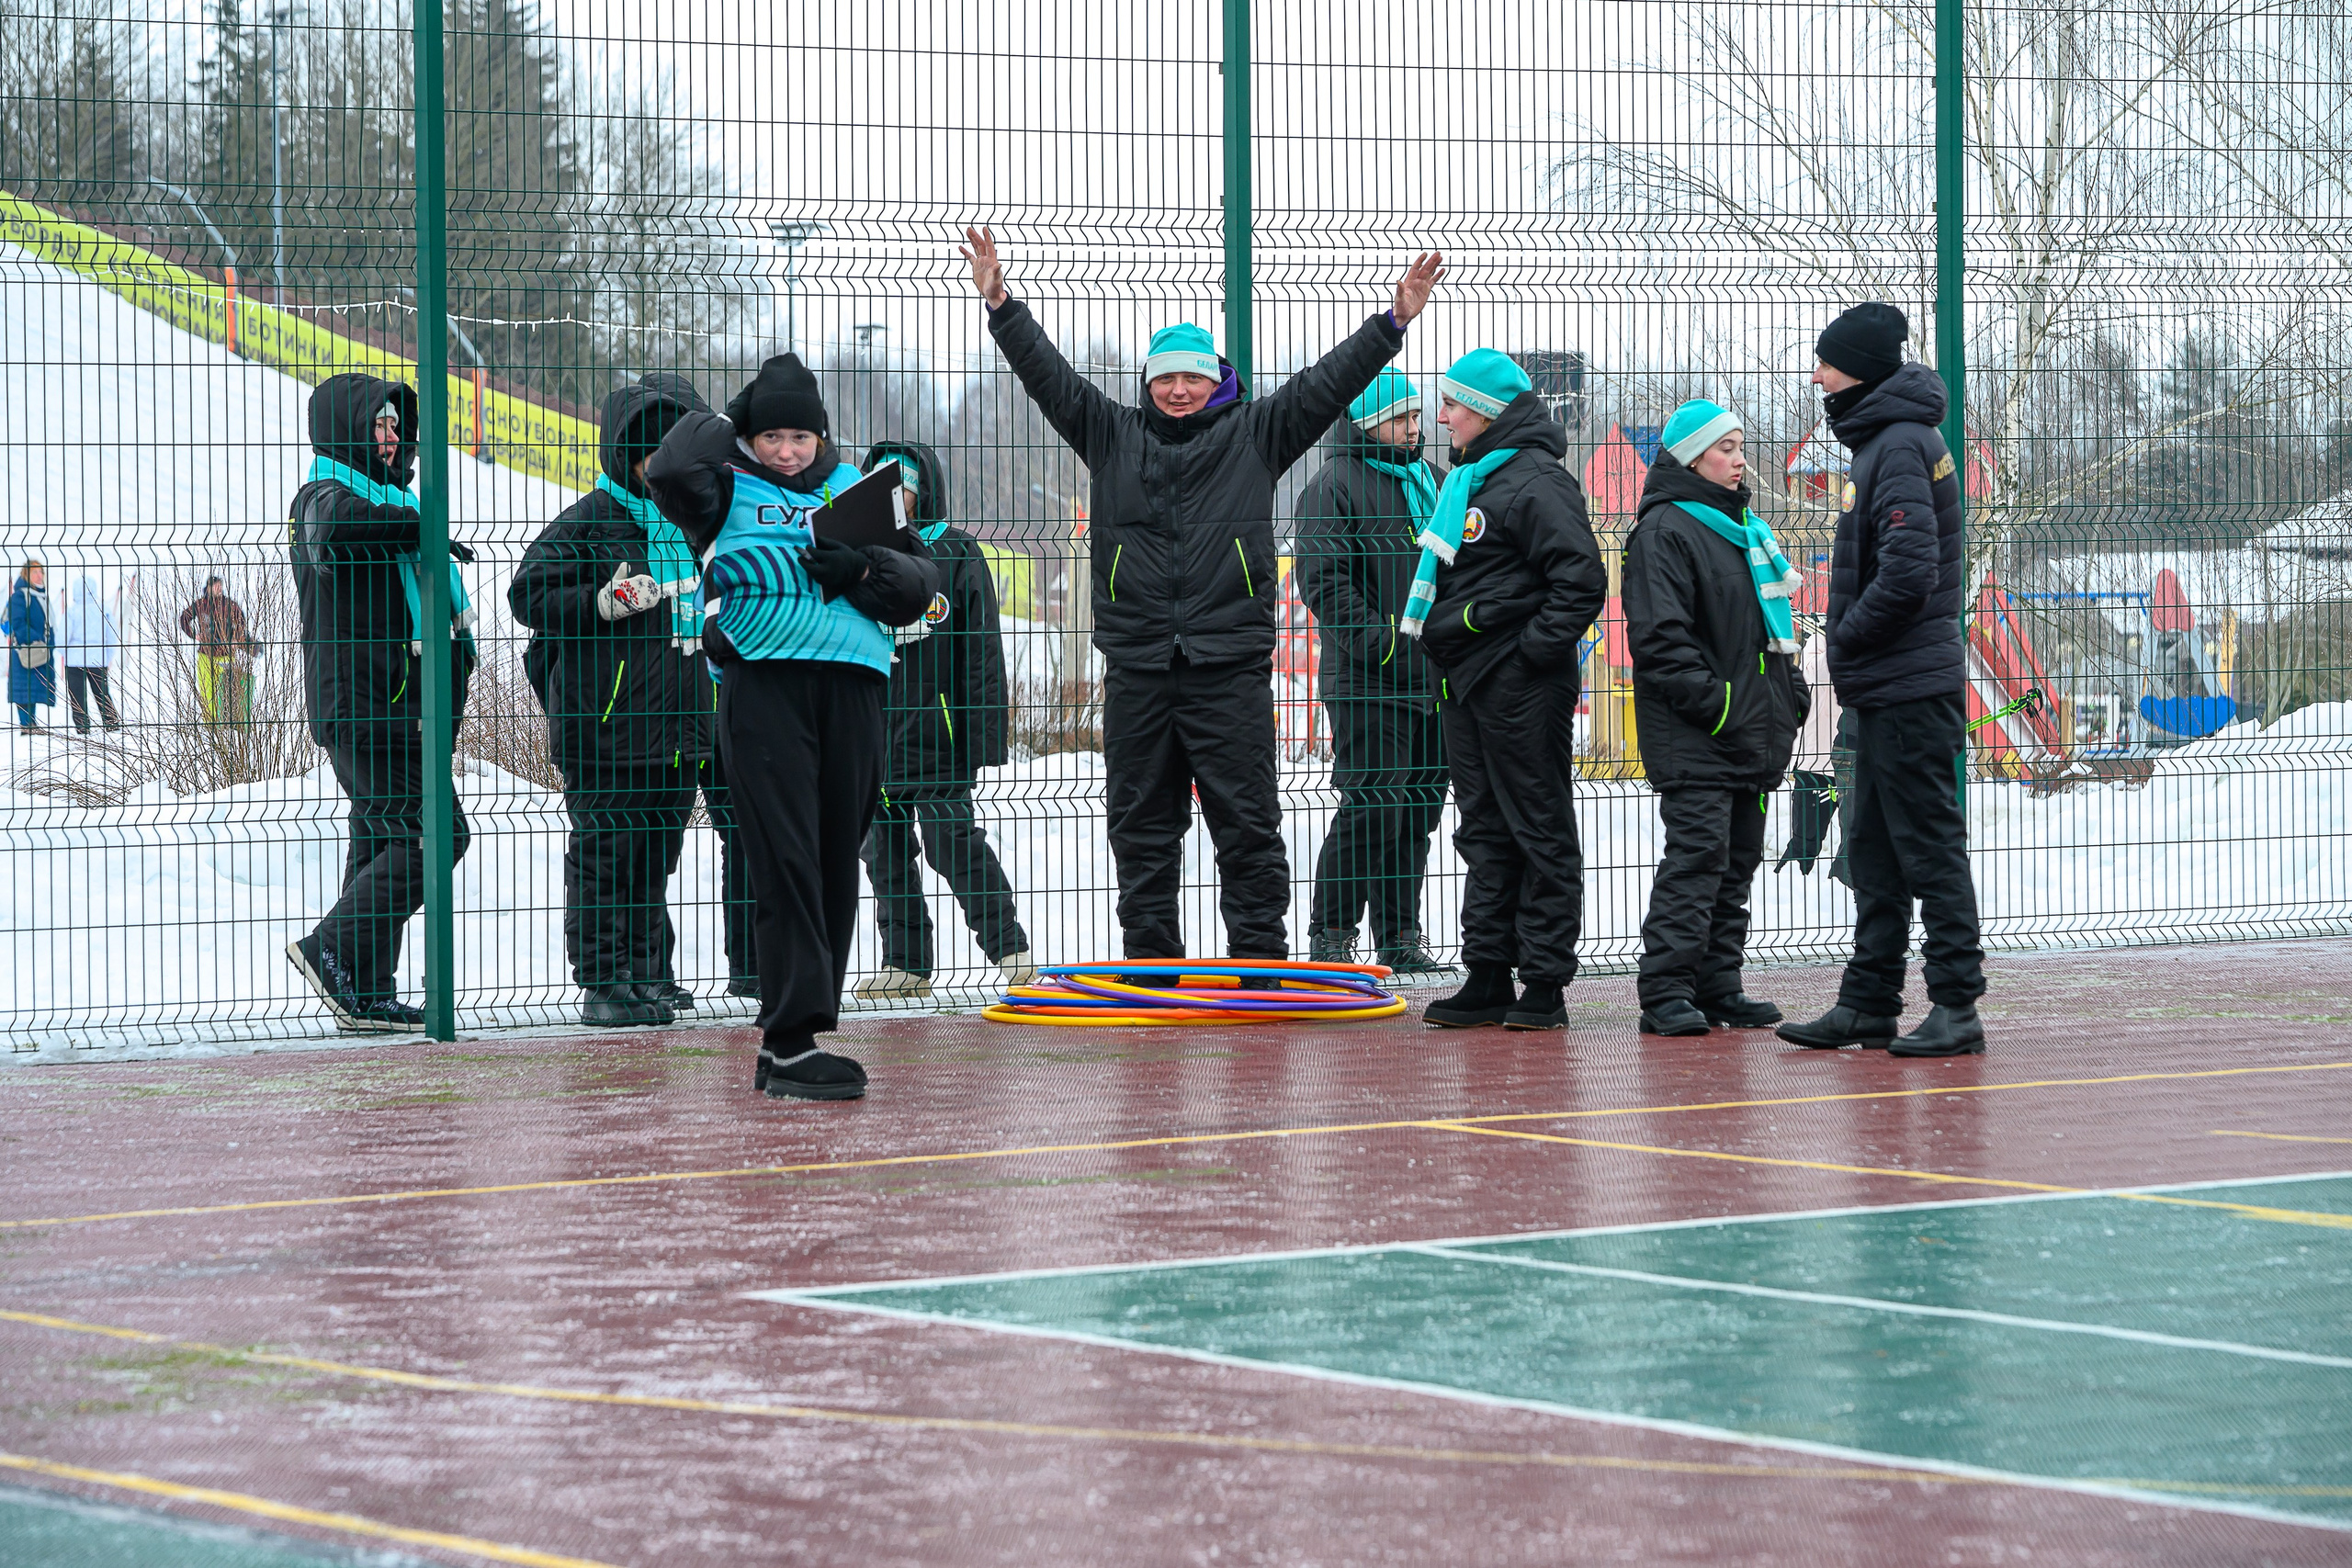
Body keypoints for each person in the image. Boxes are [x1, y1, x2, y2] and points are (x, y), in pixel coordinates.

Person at [960, 226, 1442, 961]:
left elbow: (1326, 383)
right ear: (1148, 383)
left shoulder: (1256, 433)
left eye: (1192, 377)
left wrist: (1393, 322)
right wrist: (1000, 303)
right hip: (1139, 667)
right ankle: (1152, 962)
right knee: (1142, 825)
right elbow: (1046, 375)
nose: (1179, 390)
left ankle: (1258, 963)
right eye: (1165, 379)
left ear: (1216, 379)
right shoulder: (1110, 434)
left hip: (1229, 668)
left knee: (1246, 822)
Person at [646, 353, 940, 1100]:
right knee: (784, 856)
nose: (786, 450)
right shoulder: (722, 488)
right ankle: (788, 1038)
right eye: (771, 433)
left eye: (800, 436)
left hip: (856, 688)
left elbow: (920, 583)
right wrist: (725, 419)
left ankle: (800, 1034)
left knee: (837, 853)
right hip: (763, 681)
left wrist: (860, 573)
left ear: (822, 437)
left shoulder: (861, 491)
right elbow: (672, 469)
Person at [1777, 303, 1988, 1058]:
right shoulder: (1890, 440)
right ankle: (1868, 1003)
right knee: (1874, 848)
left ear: (1859, 370)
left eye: (1827, 364)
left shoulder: (1897, 444)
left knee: (1927, 846)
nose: (1817, 375)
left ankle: (1957, 1005)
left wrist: (1844, 635)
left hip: (1905, 687)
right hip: (1886, 689)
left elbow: (1907, 572)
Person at [512, 372, 752, 1028]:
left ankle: (647, 975)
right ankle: (601, 981)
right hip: (607, 727)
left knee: (653, 856)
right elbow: (527, 594)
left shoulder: (697, 527)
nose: (657, 468)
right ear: (625, 455)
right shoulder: (590, 521)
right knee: (603, 857)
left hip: (679, 726)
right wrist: (599, 602)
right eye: (647, 453)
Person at [1409, 351, 1608, 1031]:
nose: (1442, 418)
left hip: (1522, 687)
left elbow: (1581, 581)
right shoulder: (1472, 480)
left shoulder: (1535, 482)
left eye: (1454, 406)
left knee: (1538, 826)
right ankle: (1488, 972)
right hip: (1465, 684)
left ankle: (1544, 982)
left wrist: (1528, 656)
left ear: (1487, 411)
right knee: (1485, 829)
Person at [285, 373, 477, 1032]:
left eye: (397, 426)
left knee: (378, 841)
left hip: (400, 708)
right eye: (378, 425)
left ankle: (363, 991)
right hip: (368, 708)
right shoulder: (322, 495)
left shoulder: (392, 503)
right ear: (346, 428)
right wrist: (419, 527)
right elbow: (337, 534)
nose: (392, 439)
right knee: (440, 833)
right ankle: (331, 947)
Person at [1621, 400, 1809, 1037]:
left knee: (1736, 864)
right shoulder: (1665, 530)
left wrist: (1791, 692)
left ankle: (1719, 984)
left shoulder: (1745, 530)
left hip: (1751, 730)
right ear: (1692, 456)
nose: (1739, 459)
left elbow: (1768, 628)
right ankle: (1666, 990)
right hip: (1699, 731)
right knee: (1697, 859)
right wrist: (1723, 704)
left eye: (1740, 446)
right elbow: (1661, 640)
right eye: (1725, 447)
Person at [854, 440, 1035, 1000]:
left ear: (922, 491)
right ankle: (906, 962)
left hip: (938, 735)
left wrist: (982, 733)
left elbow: (982, 649)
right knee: (883, 853)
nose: (893, 499)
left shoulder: (955, 553)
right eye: (878, 489)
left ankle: (1011, 950)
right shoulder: (850, 556)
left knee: (951, 843)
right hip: (869, 732)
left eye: (902, 487)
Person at [1294, 367, 1451, 974]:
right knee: (1372, 806)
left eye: (1415, 416)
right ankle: (1332, 933)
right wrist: (1383, 643)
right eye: (1399, 418)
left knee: (1415, 811)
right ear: (1365, 423)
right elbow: (1323, 579)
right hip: (1370, 679)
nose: (1413, 428)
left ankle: (1399, 937)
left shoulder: (1434, 484)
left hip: (1433, 679)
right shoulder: (1334, 485)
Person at [1776, 626, 1842, 875]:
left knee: (1856, 839)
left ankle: (1844, 889)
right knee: (1805, 840)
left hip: (1849, 760)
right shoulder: (1818, 644)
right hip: (1816, 765)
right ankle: (1791, 883)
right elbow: (1820, 673)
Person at [179, 576, 257, 724]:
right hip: (205, 655)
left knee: (226, 691)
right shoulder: (201, 605)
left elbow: (241, 622)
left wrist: (236, 639)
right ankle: (211, 724)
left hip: (226, 655)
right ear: (208, 588)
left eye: (220, 585)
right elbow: (184, 618)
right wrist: (194, 635)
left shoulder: (229, 605)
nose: (219, 588)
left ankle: (226, 723)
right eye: (216, 586)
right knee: (207, 691)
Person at [61, 572, 124, 734]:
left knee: (77, 697)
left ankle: (82, 727)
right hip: (97, 660)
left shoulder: (71, 612)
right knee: (102, 693)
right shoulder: (103, 610)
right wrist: (107, 657)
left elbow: (62, 638)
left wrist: (67, 654)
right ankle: (111, 723)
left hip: (74, 661)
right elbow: (112, 636)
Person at [6, 559, 56, 731]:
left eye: (40, 572)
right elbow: (17, 623)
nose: (39, 575)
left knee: (33, 688)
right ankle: (26, 723)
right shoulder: (20, 596)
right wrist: (35, 639)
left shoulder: (41, 596)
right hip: (26, 650)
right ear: (26, 575)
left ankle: (31, 723)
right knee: (24, 687)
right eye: (34, 572)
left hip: (40, 650)